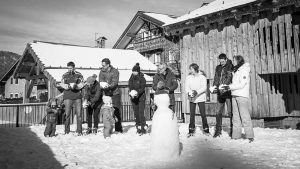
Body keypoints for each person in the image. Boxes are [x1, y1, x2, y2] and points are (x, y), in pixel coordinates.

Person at [220, 55, 254, 143]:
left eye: (234, 60)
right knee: (235, 117)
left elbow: (242, 84)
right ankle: (236, 135)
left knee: (244, 116)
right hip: (234, 95)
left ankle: (250, 136)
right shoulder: (236, 70)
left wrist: (229, 87)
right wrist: (227, 87)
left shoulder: (244, 69)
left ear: (238, 61)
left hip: (242, 95)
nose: (233, 62)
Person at [150, 90, 180, 160]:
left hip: (159, 114)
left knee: (159, 133)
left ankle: (158, 153)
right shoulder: (167, 94)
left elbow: (154, 103)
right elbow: (171, 102)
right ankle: (171, 153)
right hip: (168, 114)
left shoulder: (156, 96)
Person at [210, 53, 233, 138]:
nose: (221, 63)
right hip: (220, 93)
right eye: (220, 61)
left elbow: (230, 77)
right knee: (218, 112)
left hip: (227, 93)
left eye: (223, 61)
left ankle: (233, 130)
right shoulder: (218, 67)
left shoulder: (230, 66)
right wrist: (214, 86)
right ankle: (218, 131)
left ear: (226, 59)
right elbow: (216, 78)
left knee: (230, 112)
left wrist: (224, 86)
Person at [60, 61, 85, 135]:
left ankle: (79, 131)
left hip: (77, 96)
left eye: (71, 68)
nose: (69, 69)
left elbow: (82, 83)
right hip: (67, 96)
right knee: (67, 114)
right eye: (68, 68)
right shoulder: (65, 75)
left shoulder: (79, 75)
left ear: (74, 67)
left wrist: (76, 86)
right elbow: (61, 84)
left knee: (79, 115)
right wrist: (67, 86)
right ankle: (67, 131)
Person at [99, 58, 123, 133]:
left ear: (108, 65)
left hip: (115, 93)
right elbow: (101, 81)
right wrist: (103, 86)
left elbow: (115, 82)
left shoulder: (115, 71)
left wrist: (109, 86)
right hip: (106, 94)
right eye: (102, 65)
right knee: (106, 111)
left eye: (104, 65)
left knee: (116, 111)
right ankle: (107, 128)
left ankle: (118, 129)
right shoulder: (101, 72)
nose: (102, 67)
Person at [185, 63, 209, 137]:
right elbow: (186, 87)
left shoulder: (202, 77)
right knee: (192, 114)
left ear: (195, 69)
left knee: (203, 114)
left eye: (191, 69)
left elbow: (204, 87)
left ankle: (206, 128)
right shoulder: (189, 77)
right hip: (192, 98)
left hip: (200, 97)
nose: (190, 70)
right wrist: (189, 92)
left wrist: (197, 92)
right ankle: (191, 129)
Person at [128, 63, 147, 135]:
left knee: (141, 113)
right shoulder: (131, 78)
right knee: (136, 114)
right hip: (133, 98)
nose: (134, 72)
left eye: (135, 71)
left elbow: (142, 88)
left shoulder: (142, 78)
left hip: (141, 98)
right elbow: (130, 85)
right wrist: (132, 92)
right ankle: (138, 127)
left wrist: (137, 93)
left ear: (138, 71)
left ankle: (143, 128)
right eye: (133, 71)